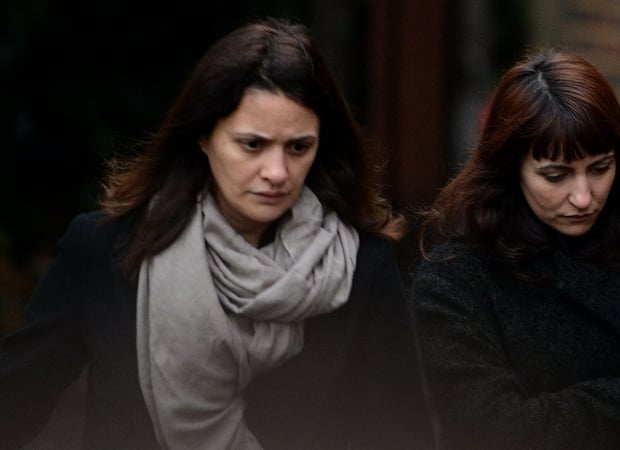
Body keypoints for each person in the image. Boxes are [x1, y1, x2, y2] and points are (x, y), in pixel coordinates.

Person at [0, 18, 433, 449]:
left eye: (298, 147)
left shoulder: (361, 266)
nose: (277, 172)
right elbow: (16, 401)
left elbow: (402, 433)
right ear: (204, 136)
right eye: (252, 145)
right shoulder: (103, 250)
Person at [411, 49, 620, 449]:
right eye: (556, 175)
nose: (583, 197)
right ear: (510, 170)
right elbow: (488, 430)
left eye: (600, 169)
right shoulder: (457, 282)